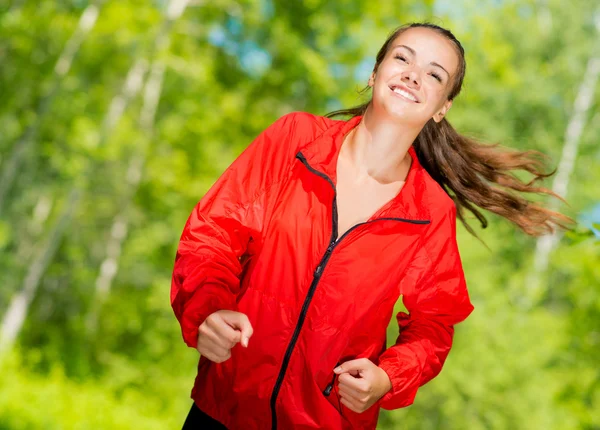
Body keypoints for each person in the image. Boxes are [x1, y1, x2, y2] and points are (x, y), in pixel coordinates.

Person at [171, 22, 572, 430]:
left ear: (441, 108)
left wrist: (388, 378)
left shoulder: (429, 211)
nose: (414, 74)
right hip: (222, 409)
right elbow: (214, 233)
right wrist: (209, 308)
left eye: (435, 75)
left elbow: (433, 324)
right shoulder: (295, 140)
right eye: (402, 58)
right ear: (374, 73)